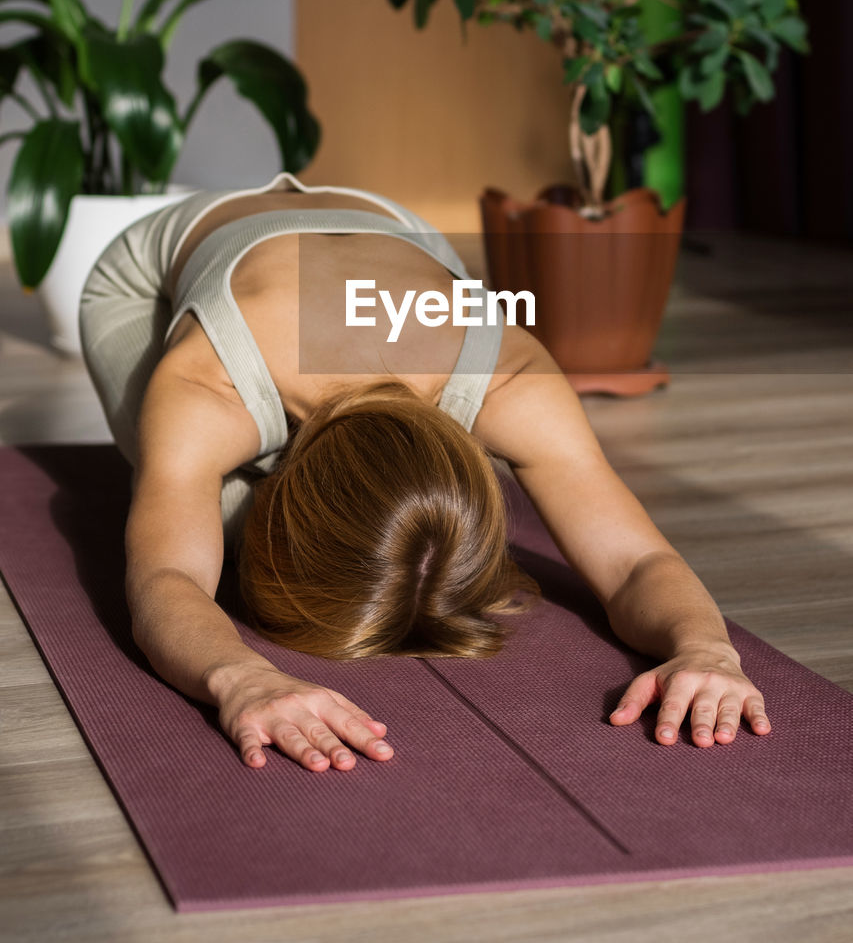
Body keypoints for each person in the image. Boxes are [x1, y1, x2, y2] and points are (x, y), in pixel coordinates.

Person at [79, 171, 771, 776]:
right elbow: (166, 581)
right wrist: (242, 677)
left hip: (390, 227)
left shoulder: (510, 376)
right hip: (161, 263)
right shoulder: (209, 383)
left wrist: (705, 648)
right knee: (216, 532)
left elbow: (634, 559)